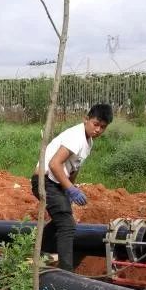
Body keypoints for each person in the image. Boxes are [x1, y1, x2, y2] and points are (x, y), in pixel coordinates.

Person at [31, 104, 113, 271]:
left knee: (63, 220)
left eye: (102, 127)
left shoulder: (88, 141)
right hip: (44, 180)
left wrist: (69, 187)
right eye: (95, 124)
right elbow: (54, 164)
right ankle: (66, 272)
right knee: (67, 224)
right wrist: (70, 189)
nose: (98, 129)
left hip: (57, 182)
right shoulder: (76, 136)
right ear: (86, 120)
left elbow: (75, 167)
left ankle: (40, 253)